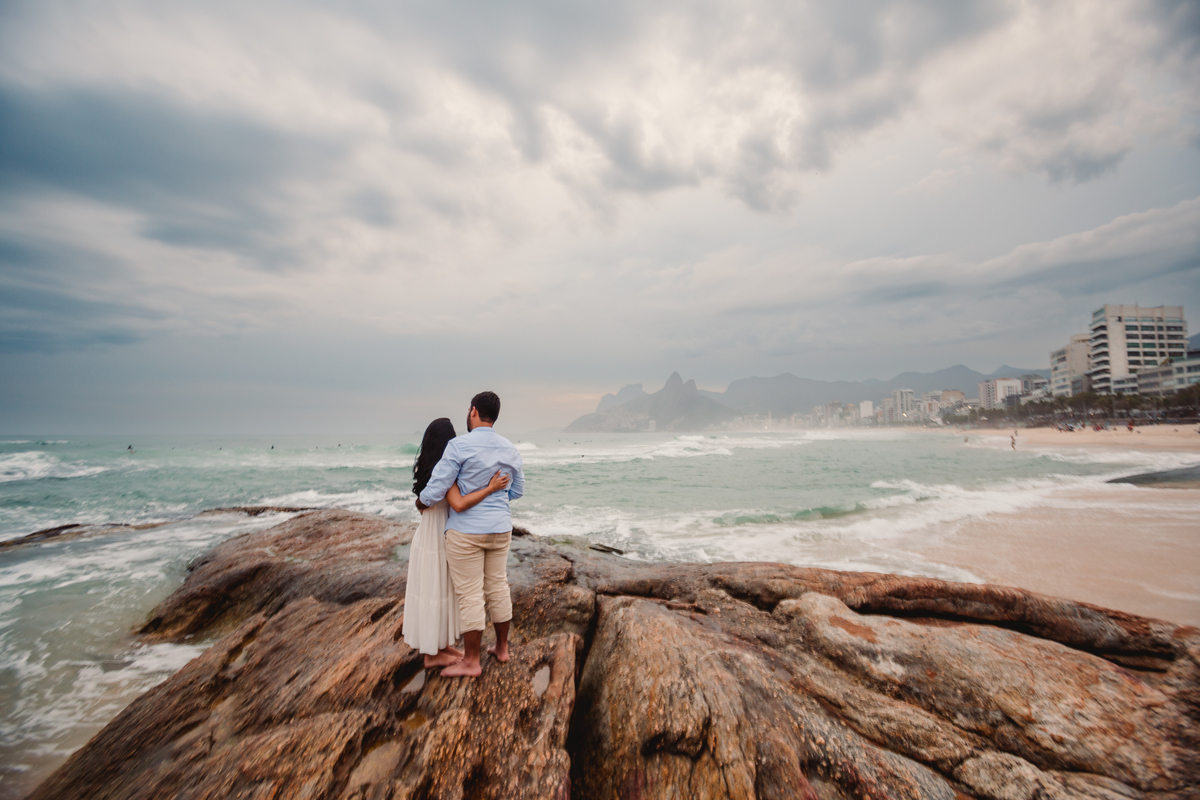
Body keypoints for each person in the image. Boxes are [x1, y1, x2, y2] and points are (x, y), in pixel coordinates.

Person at [418, 392, 524, 678]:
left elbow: (438, 486)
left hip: (467, 531)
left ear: (473, 411)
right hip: (500, 527)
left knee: (470, 594)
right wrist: (495, 501)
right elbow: (517, 490)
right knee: (498, 586)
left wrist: (422, 502)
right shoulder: (510, 449)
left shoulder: (458, 446)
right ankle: (502, 649)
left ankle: (472, 661)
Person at [404, 418, 511, 668]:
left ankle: (440, 646)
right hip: (439, 536)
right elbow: (459, 504)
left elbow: (422, 505)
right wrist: (490, 488)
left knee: (437, 591)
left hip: (428, 532)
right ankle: (432, 655)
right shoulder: (446, 473)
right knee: (437, 592)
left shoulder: (426, 469)